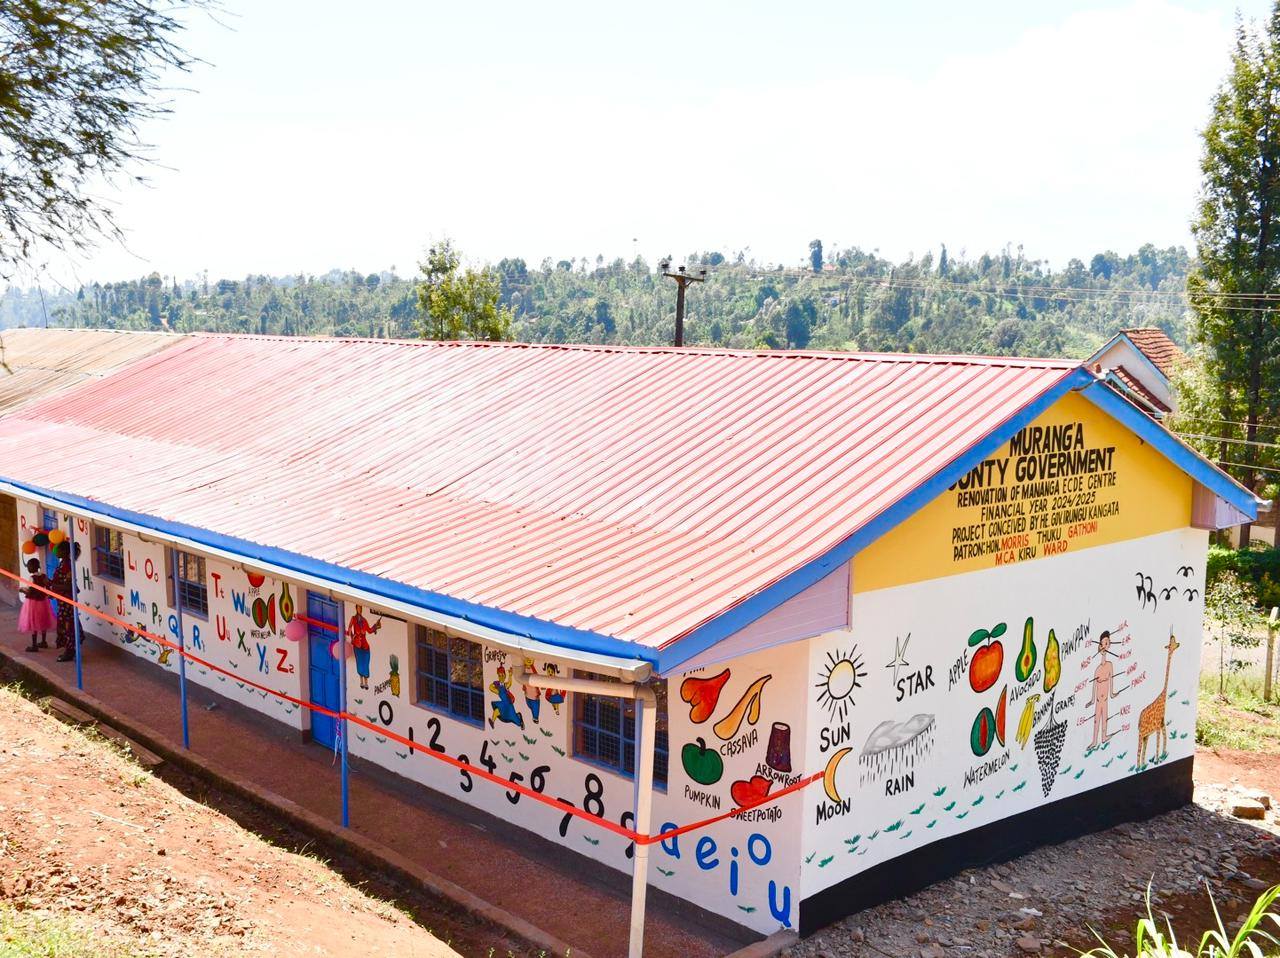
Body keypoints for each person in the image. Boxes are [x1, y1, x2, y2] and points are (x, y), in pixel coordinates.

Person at [18, 558, 55, 652]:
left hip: (33, 603)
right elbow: (48, 585)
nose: (28, 568)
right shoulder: (44, 576)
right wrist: (49, 594)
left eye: (28, 566)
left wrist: (22, 590)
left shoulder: (32, 578)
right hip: (43, 602)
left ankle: (34, 645)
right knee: (43, 620)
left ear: (32, 567)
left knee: (33, 622)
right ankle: (43, 641)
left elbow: (30, 591)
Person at [53, 541, 81, 662]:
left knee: (68, 626)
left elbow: (70, 586)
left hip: (67, 602)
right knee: (66, 625)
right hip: (62, 600)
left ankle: (70, 651)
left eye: (59, 549)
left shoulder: (67, 566)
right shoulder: (63, 564)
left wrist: (53, 586)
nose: (56, 551)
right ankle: (69, 650)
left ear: (65, 552)